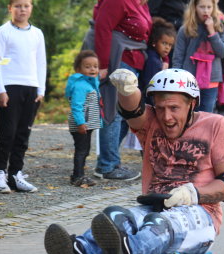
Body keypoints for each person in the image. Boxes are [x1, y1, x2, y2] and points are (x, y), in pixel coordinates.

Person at [44, 68, 224, 254]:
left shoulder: (215, 125)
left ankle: (128, 252)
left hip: (201, 214)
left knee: (159, 223)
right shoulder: (151, 123)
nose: (166, 117)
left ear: (192, 104)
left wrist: (193, 194)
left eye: (174, 108)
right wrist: (127, 88)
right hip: (153, 205)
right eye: (160, 108)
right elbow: (133, 109)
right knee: (115, 218)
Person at [83, 0, 151, 181]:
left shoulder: (140, 3)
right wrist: (103, 65)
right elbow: (103, 28)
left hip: (131, 60)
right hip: (117, 59)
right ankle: (107, 166)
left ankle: (112, 160)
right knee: (113, 112)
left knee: (125, 113)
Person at [0, 0, 46, 193]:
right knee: (7, 133)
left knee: (23, 134)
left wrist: (41, 90)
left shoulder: (37, 33)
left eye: (26, 5)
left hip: (31, 88)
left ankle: (15, 174)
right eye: (18, 5)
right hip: (10, 88)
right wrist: (1, 90)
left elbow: (41, 63)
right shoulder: (4, 32)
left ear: (31, 8)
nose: (22, 9)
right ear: (10, 8)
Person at [172, 0, 224, 113]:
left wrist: (212, 32)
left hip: (211, 80)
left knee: (206, 115)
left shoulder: (220, 27)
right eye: (202, 7)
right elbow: (178, 57)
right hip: (189, 81)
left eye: (209, 7)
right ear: (194, 7)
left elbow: (223, 52)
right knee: (188, 114)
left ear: (214, 7)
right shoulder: (185, 29)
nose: (206, 11)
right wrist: (178, 79)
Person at [65, 50, 102, 187]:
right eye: (88, 66)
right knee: (81, 150)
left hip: (87, 124)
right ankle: (77, 176)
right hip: (81, 124)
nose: (92, 69)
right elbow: (76, 106)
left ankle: (79, 174)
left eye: (95, 66)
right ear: (78, 69)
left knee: (85, 150)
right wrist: (81, 123)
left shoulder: (91, 83)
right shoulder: (80, 85)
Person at [139, 17, 177, 102]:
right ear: (154, 42)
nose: (167, 47)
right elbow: (150, 85)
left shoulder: (156, 57)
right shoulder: (153, 61)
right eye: (164, 43)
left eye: (170, 45)